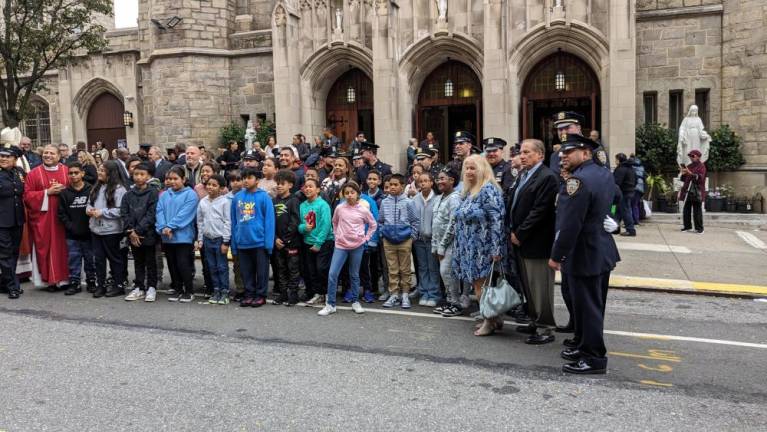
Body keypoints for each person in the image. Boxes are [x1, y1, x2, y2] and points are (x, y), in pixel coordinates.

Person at [549, 133, 620, 375]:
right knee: (590, 306)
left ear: (585, 153)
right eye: (562, 152)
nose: (563, 155)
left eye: (569, 152)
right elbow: (616, 200)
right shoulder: (603, 173)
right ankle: (583, 346)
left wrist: (557, 255)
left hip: (585, 253)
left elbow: (570, 225)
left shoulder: (578, 181)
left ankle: (594, 358)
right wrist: (610, 219)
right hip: (600, 250)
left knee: (587, 307)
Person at [508, 139, 559, 345]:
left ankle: (545, 327)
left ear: (540, 155)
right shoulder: (523, 174)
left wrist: (520, 233)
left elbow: (540, 211)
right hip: (520, 240)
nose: (522, 156)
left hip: (536, 242)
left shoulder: (547, 177)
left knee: (540, 287)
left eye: (527, 152)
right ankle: (534, 319)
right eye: (521, 152)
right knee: (528, 285)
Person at [452, 154, 505, 336]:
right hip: (469, 247)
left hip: (483, 247)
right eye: (466, 168)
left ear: (482, 169)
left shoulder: (488, 189)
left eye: (473, 168)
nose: (468, 171)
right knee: (480, 286)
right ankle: (492, 318)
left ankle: (488, 322)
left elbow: (497, 220)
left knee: (481, 287)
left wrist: (496, 248)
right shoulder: (470, 191)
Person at [317, 181, 378, 316]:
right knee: (333, 274)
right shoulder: (339, 208)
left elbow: (373, 225)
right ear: (343, 195)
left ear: (357, 194)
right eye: (347, 193)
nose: (349, 195)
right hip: (341, 246)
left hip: (357, 246)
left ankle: (355, 302)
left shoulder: (363, 209)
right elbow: (335, 222)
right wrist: (337, 235)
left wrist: (366, 238)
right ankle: (330, 304)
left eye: (352, 193)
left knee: (354, 275)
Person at [23, 144, 70, 290]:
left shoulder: (67, 171)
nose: (48, 155)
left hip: (63, 218)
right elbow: (27, 196)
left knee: (65, 248)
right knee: (46, 248)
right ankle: (49, 280)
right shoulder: (33, 174)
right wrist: (46, 193)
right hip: (43, 219)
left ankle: (65, 279)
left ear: (59, 156)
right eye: (46, 153)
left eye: (52, 153)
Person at [230, 168, 275, 308]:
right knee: (246, 271)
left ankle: (260, 295)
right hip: (242, 241)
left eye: (249, 177)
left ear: (257, 180)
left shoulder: (264, 197)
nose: (245, 180)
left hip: (260, 242)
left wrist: (268, 243)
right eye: (244, 177)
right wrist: (234, 244)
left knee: (261, 272)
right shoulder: (237, 197)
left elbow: (269, 221)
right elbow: (234, 221)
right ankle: (249, 294)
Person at [156, 166, 199, 303]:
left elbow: (186, 214)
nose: (172, 181)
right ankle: (178, 288)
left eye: (176, 179)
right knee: (172, 264)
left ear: (183, 179)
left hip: (183, 237)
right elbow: (159, 211)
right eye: (169, 179)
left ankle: (189, 290)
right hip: (167, 236)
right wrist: (163, 227)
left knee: (183, 264)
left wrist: (171, 226)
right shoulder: (164, 194)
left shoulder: (190, 194)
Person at [86, 161, 128, 298]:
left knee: (114, 259)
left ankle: (118, 284)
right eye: (99, 170)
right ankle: (101, 285)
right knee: (98, 259)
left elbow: (121, 210)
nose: (99, 173)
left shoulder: (119, 190)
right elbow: (89, 203)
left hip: (112, 231)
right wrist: (90, 210)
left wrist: (102, 212)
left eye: (102, 171)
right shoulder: (96, 187)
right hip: (96, 230)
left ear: (111, 173)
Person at [121, 162, 160, 302]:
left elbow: (151, 214)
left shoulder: (153, 193)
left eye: (142, 174)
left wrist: (138, 230)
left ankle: (151, 287)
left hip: (148, 233)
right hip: (133, 235)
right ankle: (139, 287)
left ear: (148, 176)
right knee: (138, 261)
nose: (138, 177)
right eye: (136, 174)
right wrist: (131, 231)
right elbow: (124, 213)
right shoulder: (128, 195)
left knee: (150, 261)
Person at [379, 173, 419, 309]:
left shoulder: (409, 202)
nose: (392, 187)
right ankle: (394, 294)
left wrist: (412, 237)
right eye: (390, 185)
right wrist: (382, 234)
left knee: (405, 269)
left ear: (402, 186)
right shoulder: (384, 202)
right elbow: (381, 221)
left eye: (396, 185)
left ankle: (405, 294)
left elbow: (415, 221)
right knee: (392, 269)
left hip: (404, 240)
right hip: (388, 240)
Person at [57, 162, 96, 296]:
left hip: (89, 233)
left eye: (76, 173)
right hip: (72, 235)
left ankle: (91, 281)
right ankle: (75, 283)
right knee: (74, 260)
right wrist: (70, 226)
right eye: (71, 173)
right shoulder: (64, 193)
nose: (73, 175)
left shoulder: (91, 189)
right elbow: (61, 213)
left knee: (90, 259)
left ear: (82, 174)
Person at [430, 167, 463, 317]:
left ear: (452, 181)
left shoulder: (455, 198)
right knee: (445, 274)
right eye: (438, 179)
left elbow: (453, 223)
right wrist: (435, 245)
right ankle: (449, 301)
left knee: (447, 272)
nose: (439, 181)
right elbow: (436, 223)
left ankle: (455, 303)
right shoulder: (439, 197)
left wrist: (442, 245)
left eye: (443, 178)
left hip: (451, 244)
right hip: (439, 243)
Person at [196, 174, 231, 305]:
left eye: (214, 185)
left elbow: (228, 222)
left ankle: (224, 292)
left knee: (221, 266)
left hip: (219, 239)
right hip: (207, 239)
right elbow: (200, 222)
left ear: (221, 188)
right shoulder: (203, 202)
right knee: (212, 266)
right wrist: (200, 239)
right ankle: (216, 290)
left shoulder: (225, 202)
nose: (210, 187)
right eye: (209, 184)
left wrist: (226, 241)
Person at [298, 178, 333, 305]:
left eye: (311, 186)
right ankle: (318, 293)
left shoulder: (323, 205)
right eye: (305, 187)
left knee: (322, 268)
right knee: (311, 270)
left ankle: (328, 293)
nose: (307, 189)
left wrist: (318, 243)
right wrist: (303, 228)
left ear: (318, 189)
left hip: (324, 242)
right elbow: (299, 224)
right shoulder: (302, 206)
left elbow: (326, 225)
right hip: (307, 241)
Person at [271, 169, 301, 306]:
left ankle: (293, 295)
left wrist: (286, 239)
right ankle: (283, 294)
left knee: (293, 270)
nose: (279, 186)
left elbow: (295, 221)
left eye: (282, 183)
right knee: (280, 269)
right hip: (277, 242)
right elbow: (271, 222)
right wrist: (275, 238)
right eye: (278, 183)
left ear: (290, 185)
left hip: (291, 243)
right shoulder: (273, 201)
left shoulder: (294, 200)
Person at [0, 146, 26, 299]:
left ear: (15, 160)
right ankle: (12, 286)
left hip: (17, 219)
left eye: (7, 157)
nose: (3, 159)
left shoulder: (19, 173)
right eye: (1, 156)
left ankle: (5, 282)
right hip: (2, 221)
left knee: (14, 252)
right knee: (5, 254)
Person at [412, 172, 440, 307]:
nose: (422, 183)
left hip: (432, 239)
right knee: (422, 267)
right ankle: (424, 293)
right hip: (418, 240)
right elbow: (412, 219)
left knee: (432, 267)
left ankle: (434, 294)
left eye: (425, 181)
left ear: (431, 183)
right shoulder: (415, 199)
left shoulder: (437, 199)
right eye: (420, 181)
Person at [226, 170, 246, 300]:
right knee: (237, 264)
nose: (236, 183)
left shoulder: (247, 195)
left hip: (246, 235)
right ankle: (240, 289)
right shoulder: (226, 199)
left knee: (248, 264)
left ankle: (250, 287)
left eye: (238, 180)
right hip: (233, 235)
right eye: (233, 180)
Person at [679, 149, 706, 234]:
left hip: (696, 191)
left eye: (693, 156)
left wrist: (689, 173)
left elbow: (700, 178)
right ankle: (687, 227)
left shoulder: (702, 166)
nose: (691, 157)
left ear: (698, 157)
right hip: (687, 190)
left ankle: (699, 229)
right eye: (690, 156)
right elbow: (684, 179)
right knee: (686, 209)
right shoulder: (689, 166)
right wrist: (683, 174)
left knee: (697, 210)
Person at [612, 153, 637, 237]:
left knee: (625, 211)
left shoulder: (621, 169)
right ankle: (614, 227)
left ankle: (630, 230)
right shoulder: (630, 168)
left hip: (623, 193)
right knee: (617, 211)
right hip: (629, 192)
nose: (615, 161)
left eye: (616, 159)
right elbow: (636, 180)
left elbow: (616, 182)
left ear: (619, 160)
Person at [630, 155, 646, 224]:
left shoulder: (631, 167)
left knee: (630, 205)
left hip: (634, 188)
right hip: (640, 188)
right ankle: (636, 220)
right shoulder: (642, 168)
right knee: (635, 205)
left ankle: (631, 221)